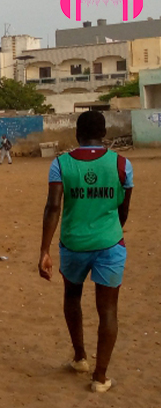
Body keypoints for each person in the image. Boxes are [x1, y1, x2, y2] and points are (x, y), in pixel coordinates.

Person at [39, 111, 133, 393]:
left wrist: (44, 250)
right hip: (110, 244)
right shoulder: (122, 164)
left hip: (73, 245)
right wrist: (109, 232)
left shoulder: (60, 164)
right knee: (108, 310)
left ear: (77, 134)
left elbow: (53, 207)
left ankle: (80, 357)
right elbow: (123, 210)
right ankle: (100, 377)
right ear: (103, 134)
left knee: (72, 297)